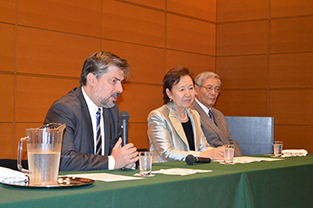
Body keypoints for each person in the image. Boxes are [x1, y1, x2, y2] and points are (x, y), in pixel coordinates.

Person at [44, 51, 138, 171]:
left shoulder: (112, 111)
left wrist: (127, 161)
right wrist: (112, 162)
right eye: (114, 81)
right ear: (92, 80)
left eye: (121, 82)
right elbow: (62, 160)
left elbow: (117, 155)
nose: (120, 89)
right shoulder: (64, 109)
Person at [148, 66, 224, 163]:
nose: (188, 94)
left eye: (191, 88)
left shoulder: (194, 114)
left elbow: (203, 147)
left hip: (192, 170)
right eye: (182, 89)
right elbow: (166, 153)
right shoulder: (158, 115)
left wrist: (217, 152)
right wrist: (201, 155)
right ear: (169, 93)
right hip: (167, 173)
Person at [191, 72, 242, 156]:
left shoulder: (219, 114)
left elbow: (229, 141)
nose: (213, 93)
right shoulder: (191, 112)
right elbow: (199, 146)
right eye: (209, 88)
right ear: (196, 89)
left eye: (217, 89)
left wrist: (240, 160)